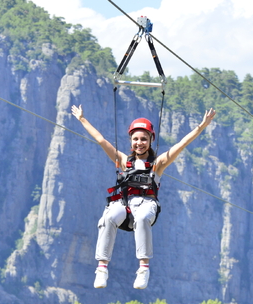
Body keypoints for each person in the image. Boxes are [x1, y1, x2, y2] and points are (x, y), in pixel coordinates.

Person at [70, 104, 217, 289]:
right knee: (108, 216)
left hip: (147, 205)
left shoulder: (158, 163)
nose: (139, 143)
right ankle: (101, 268)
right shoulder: (124, 161)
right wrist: (82, 118)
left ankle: (144, 268)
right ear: (131, 141)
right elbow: (101, 140)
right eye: (136, 139)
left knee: (141, 217)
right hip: (126, 204)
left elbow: (182, 144)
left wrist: (202, 126)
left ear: (150, 140)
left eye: (144, 139)